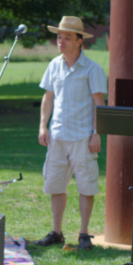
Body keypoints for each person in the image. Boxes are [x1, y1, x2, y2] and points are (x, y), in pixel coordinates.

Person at [32, 16, 107, 252]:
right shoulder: (53, 65)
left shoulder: (92, 69)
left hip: (83, 137)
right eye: (59, 37)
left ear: (79, 41)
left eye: (67, 38)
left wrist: (96, 133)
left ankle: (84, 233)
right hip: (57, 136)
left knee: (86, 186)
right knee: (55, 185)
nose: (61, 42)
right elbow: (48, 97)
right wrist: (43, 126)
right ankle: (56, 232)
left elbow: (100, 104)